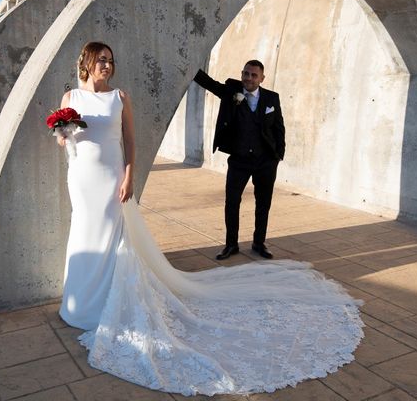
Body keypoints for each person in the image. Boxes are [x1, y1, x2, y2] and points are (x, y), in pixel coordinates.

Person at [56, 42, 364, 396]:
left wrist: (129, 177)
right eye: (102, 60)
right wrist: (63, 136)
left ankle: (107, 305)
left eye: (111, 60)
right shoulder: (70, 98)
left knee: (112, 238)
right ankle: (78, 304)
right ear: (88, 63)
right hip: (80, 178)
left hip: (112, 177)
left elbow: (129, 140)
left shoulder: (120, 97)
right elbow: (66, 139)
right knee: (82, 234)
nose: (107, 65)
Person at [193, 62, 285, 260]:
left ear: (262, 78)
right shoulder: (231, 91)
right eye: (245, 73)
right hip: (239, 160)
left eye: (253, 75)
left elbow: (279, 128)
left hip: (265, 161)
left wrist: (277, 156)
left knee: (263, 203)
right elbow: (209, 83)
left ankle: (259, 243)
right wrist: (188, 67)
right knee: (232, 202)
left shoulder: (272, 98)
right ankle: (231, 245)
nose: (248, 78)